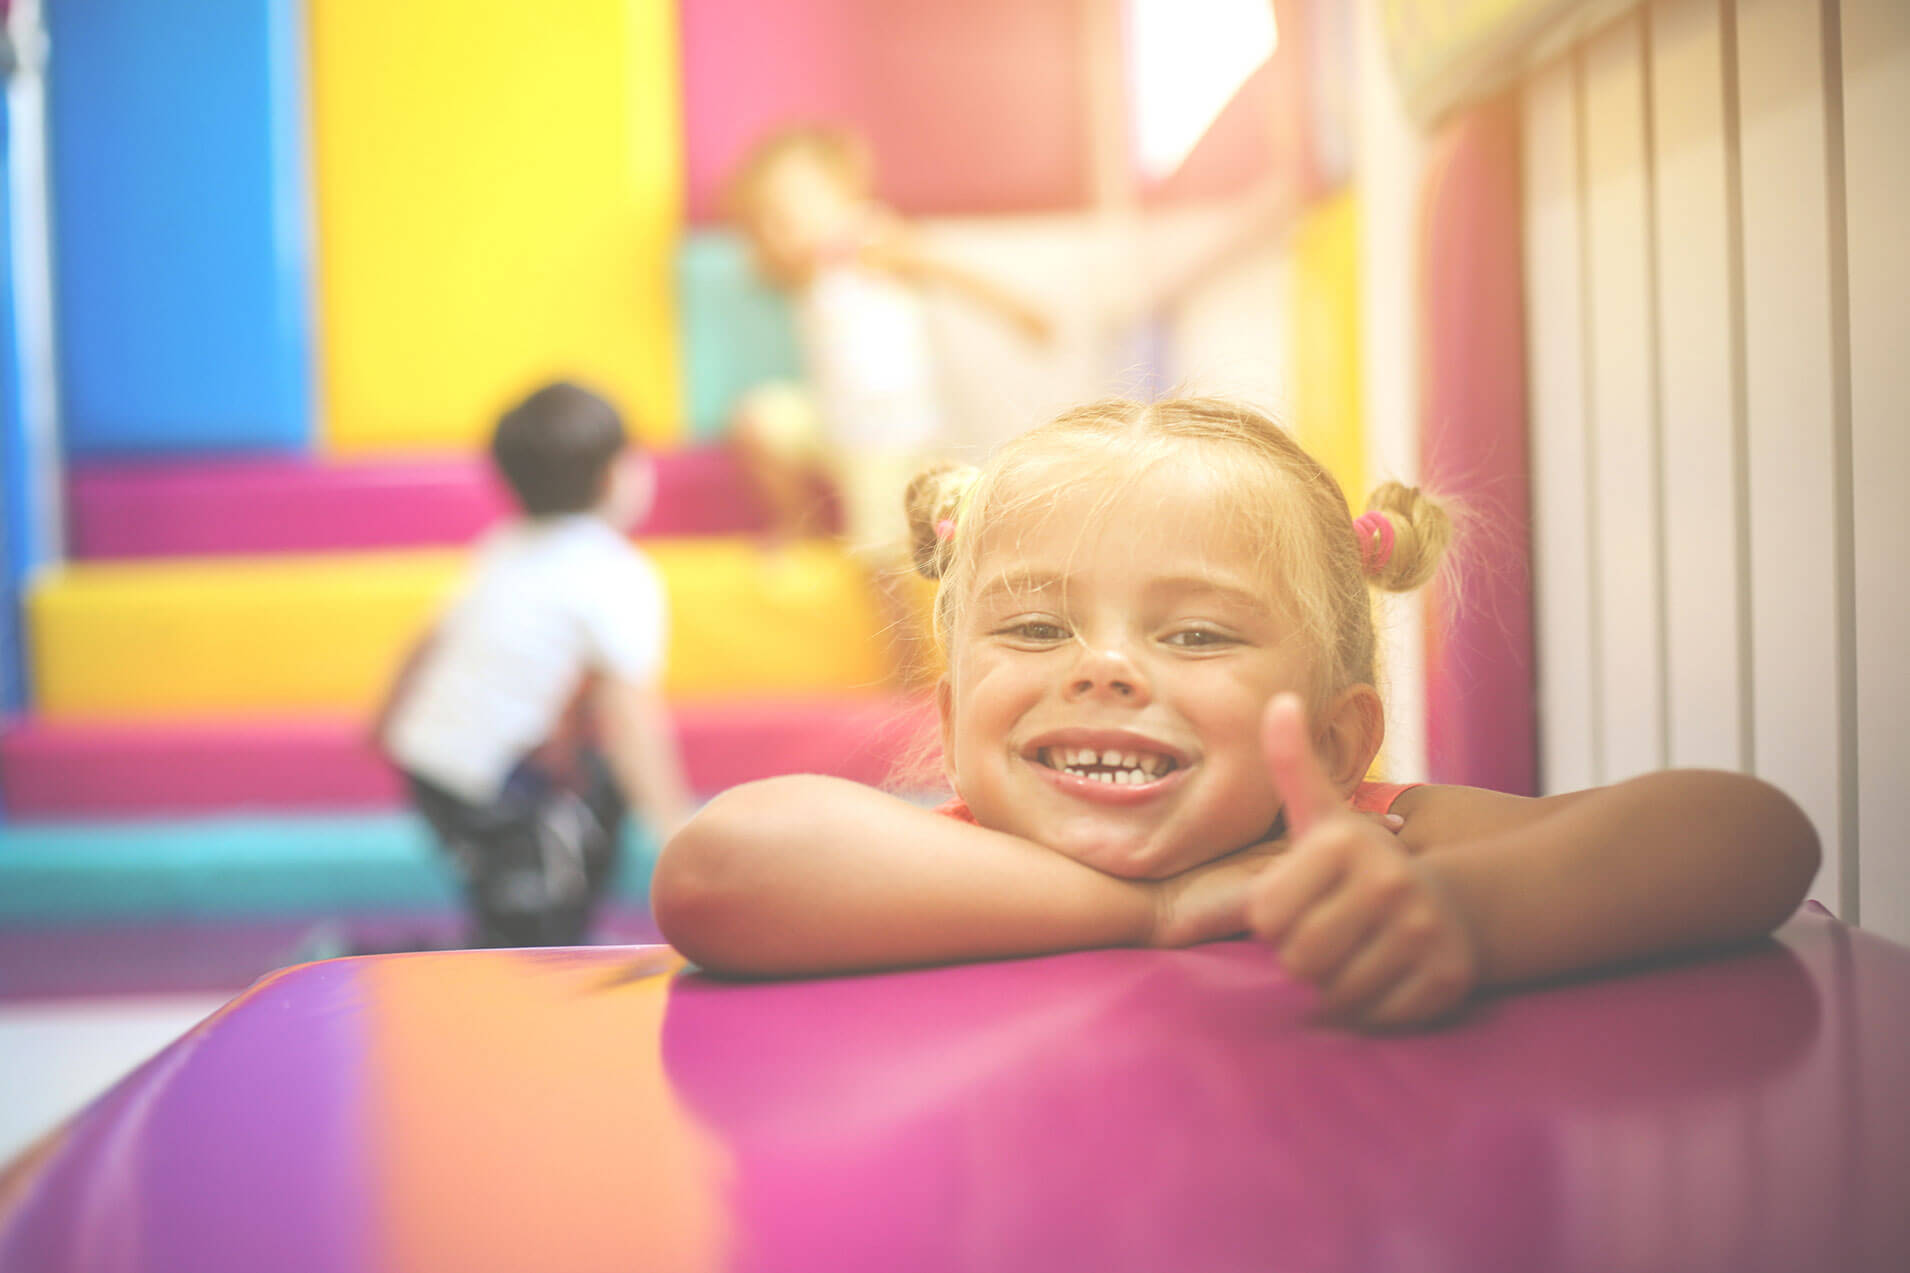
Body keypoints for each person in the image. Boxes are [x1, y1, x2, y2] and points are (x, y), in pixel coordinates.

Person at [652, 396, 1819, 1030]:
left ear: (1334, 736)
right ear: (955, 714)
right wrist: (1163, 910)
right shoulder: (943, 857)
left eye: (1195, 634)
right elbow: (716, 871)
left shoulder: (1374, 839)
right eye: (1035, 629)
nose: (1101, 670)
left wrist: (1462, 919)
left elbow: (1748, 837)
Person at [723, 124, 1052, 682]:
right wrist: (775, 235)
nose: (781, 228)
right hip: (834, 424)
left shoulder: (870, 241)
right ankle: (797, 525)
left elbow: (945, 269)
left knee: (881, 562)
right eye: (768, 220)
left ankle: (907, 671)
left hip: (886, 437)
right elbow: (765, 264)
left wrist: (1019, 309)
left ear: (844, 196)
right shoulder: (802, 266)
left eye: (791, 209)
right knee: (760, 419)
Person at [377, 381, 694, 948]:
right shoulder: (616, 574)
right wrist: (678, 828)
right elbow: (631, 716)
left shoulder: (505, 542)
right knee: (529, 932)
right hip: (491, 780)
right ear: (612, 476)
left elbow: (428, 638)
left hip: (431, 763)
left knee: (548, 852)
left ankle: (531, 934)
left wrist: (382, 721)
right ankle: (362, 957)